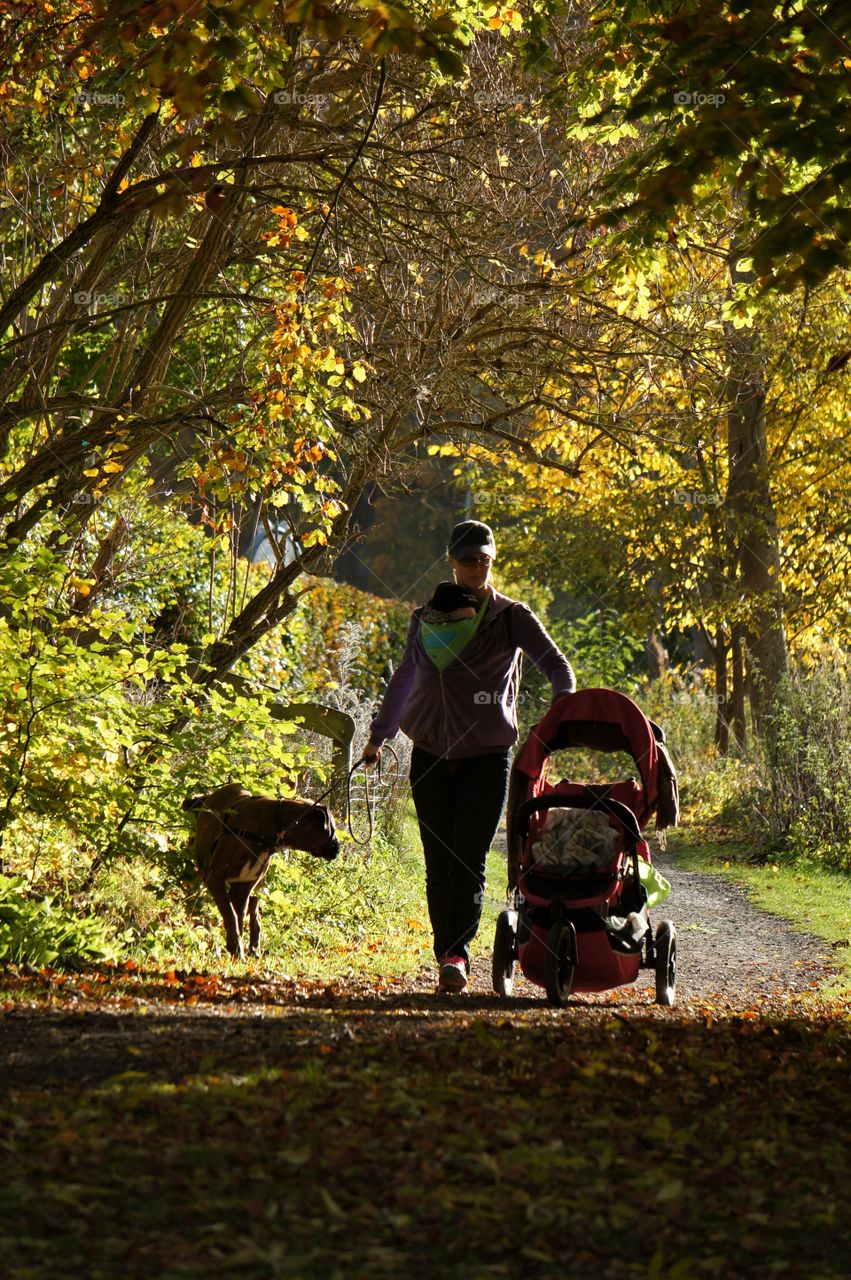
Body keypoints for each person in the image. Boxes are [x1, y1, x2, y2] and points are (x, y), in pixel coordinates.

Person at [361, 519, 576, 994]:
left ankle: (458, 950)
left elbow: (559, 668)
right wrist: (379, 736)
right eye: (468, 560)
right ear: (451, 562)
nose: (478, 567)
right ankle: (447, 956)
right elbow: (405, 679)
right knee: (438, 861)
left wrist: (557, 720)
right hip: (430, 753)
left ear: (492, 561)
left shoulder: (510, 617)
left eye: (485, 559)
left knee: (469, 857)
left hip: (487, 755)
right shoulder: (426, 619)